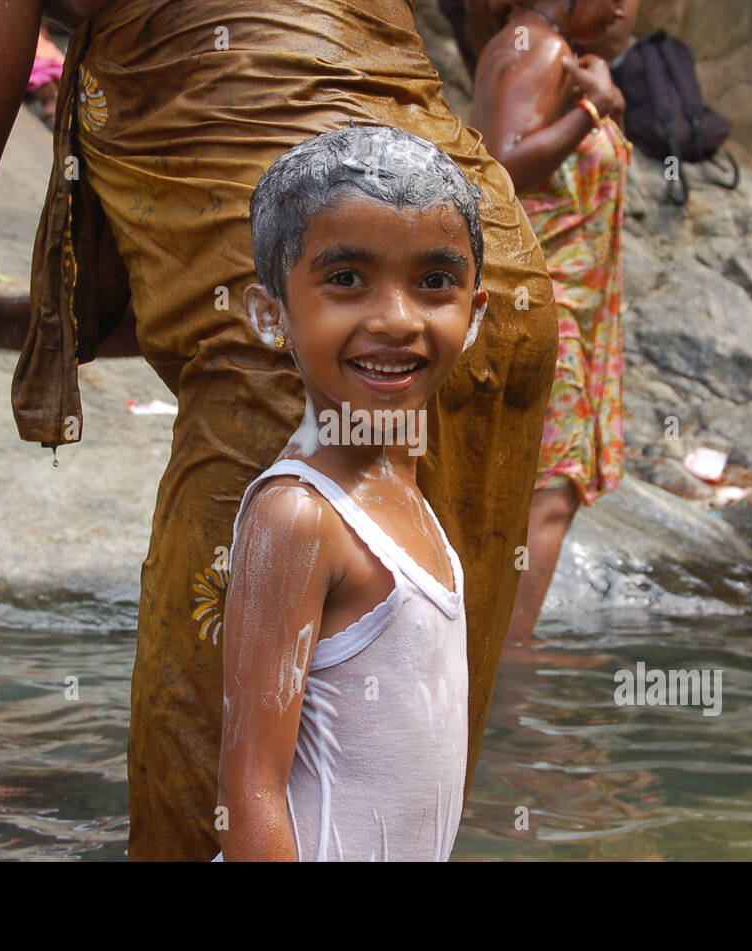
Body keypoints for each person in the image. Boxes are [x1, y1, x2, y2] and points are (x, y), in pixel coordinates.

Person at [0, 0, 557, 861]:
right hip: (495, 296)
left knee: (208, 813)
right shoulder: (381, 306)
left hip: (303, 362)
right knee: (394, 788)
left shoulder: (291, 442)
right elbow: (207, 285)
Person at [216, 126, 486, 861]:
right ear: (271, 313)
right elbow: (250, 791)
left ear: (476, 312)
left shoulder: (407, 499)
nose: (396, 317)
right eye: (346, 279)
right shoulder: (299, 516)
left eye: (434, 281)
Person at [471, 0, 638, 645]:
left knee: (527, 488)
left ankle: (487, 660)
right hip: (546, 307)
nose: (626, 8)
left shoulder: (536, 46)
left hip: (558, 306)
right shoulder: (542, 49)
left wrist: (602, 103)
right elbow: (503, 166)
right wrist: (593, 111)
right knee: (548, 494)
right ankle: (509, 666)